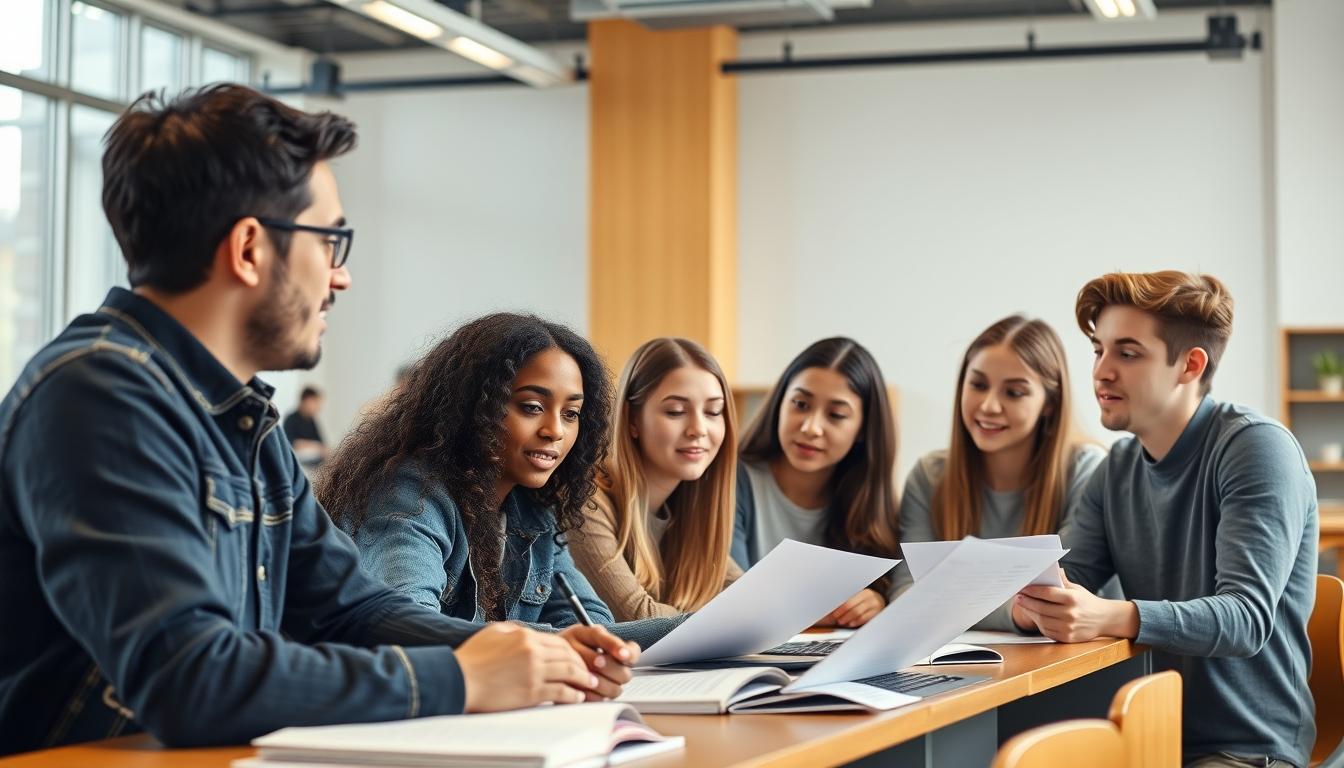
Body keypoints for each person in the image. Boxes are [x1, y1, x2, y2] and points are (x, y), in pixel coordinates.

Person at [0, 85, 627, 756]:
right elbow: (190, 679)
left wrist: (523, 652)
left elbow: (348, 608)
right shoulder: (100, 395)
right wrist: (459, 676)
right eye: (331, 241)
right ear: (248, 249)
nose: (341, 276)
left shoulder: (243, 418)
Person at [1012, 271, 1317, 768]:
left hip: (1246, 748)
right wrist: (1032, 606)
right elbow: (1071, 580)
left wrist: (1112, 615)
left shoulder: (1257, 448)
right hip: (1146, 735)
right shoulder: (1117, 468)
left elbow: (1245, 619)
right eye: (1098, 350)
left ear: (1189, 365)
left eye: (1127, 353)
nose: (1101, 372)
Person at [318, 314, 676, 648]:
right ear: (474, 407)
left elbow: (593, 624)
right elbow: (411, 627)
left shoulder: (533, 509)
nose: (555, 431)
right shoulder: (411, 494)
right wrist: (564, 643)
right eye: (532, 407)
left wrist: (702, 627)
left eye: (571, 414)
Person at [896, 315, 1105, 631]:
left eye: (1014, 393)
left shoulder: (1087, 469)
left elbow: (1058, 598)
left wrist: (950, 602)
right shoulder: (929, 476)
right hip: (970, 670)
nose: (989, 406)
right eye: (978, 385)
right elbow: (905, 597)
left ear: (1049, 403)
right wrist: (1015, 612)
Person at [731, 337, 901, 628]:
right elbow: (731, 598)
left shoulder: (870, 502)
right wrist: (819, 608)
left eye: (835, 415)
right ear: (779, 402)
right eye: (800, 404)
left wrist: (876, 601)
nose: (810, 427)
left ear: (863, 429)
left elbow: (887, 589)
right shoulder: (733, 482)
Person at [568, 337, 742, 621]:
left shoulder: (690, 507)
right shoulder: (586, 501)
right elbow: (638, 617)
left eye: (713, 411)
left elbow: (756, 599)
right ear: (632, 420)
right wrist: (733, 619)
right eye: (675, 411)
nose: (698, 429)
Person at [284, 385, 327, 465]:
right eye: (315, 402)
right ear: (306, 401)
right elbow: (291, 442)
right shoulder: (291, 418)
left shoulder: (311, 420)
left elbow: (321, 442)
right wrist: (312, 446)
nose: (318, 407)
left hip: (315, 458)